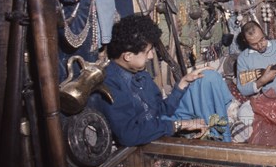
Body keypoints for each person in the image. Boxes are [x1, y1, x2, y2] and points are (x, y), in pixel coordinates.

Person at [95, 14, 233, 146]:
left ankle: (224, 142)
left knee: (209, 78)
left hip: (159, 123)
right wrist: (179, 125)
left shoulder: (139, 73)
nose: (151, 56)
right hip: (142, 136)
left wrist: (183, 83)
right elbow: (129, 135)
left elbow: (161, 110)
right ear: (128, 56)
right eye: (148, 51)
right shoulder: (109, 85)